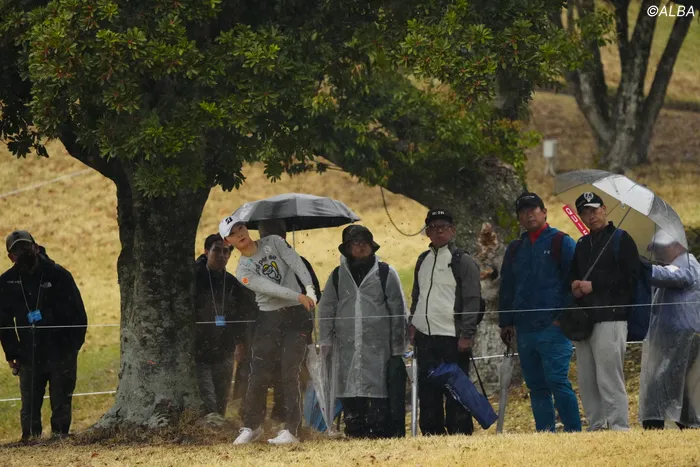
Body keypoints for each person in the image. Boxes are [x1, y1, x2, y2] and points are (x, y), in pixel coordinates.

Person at [220, 218, 317, 445]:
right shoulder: (243, 270)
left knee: (290, 370)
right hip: (269, 318)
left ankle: (292, 430)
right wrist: (298, 295)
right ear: (228, 241)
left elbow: (295, 262)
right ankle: (252, 426)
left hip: (296, 316)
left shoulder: (273, 242)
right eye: (233, 233)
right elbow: (270, 289)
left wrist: (309, 288)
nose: (240, 234)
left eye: (241, 228)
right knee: (258, 372)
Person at [498, 192, 582, 432]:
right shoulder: (515, 248)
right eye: (523, 212)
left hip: (554, 327)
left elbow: (575, 283)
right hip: (524, 328)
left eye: (533, 209)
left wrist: (562, 318)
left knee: (558, 381)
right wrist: (506, 322)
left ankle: (574, 433)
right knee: (535, 385)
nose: (529, 215)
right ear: (519, 218)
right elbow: (507, 286)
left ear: (544, 212)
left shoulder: (561, 241)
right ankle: (545, 433)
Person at [318, 225, 406, 438]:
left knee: (379, 398)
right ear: (347, 248)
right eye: (356, 242)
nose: (361, 246)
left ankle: (379, 436)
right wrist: (325, 341)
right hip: (346, 350)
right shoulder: (337, 276)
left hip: (380, 350)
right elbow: (326, 309)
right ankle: (355, 434)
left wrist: (397, 349)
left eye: (365, 241)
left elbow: (398, 311)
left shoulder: (386, 273)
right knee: (351, 397)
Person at [0, 231, 88, 441]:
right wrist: (12, 353)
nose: (23, 252)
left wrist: (72, 347)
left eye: (26, 247)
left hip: (61, 351)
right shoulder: (6, 281)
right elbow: (3, 321)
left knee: (61, 403)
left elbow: (78, 314)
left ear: (36, 247)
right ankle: (30, 442)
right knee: (29, 407)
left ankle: (60, 440)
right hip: (28, 354)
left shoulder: (59, 275)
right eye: (17, 250)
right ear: (10, 257)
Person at [567, 192, 639, 431]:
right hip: (585, 320)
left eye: (594, 209)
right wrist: (574, 285)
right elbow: (573, 274)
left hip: (612, 317)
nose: (591, 215)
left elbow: (631, 278)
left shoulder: (622, 239)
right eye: (585, 212)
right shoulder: (582, 244)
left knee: (609, 378)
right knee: (587, 380)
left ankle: (619, 426)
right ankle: (596, 426)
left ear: (604, 208)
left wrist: (594, 285)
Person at [408, 208, 482, 436]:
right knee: (427, 390)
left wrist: (467, 335)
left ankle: (460, 434)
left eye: (444, 227)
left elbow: (473, 300)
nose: (439, 231)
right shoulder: (423, 260)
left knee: (456, 390)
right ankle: (431, 434)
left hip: (453, 338)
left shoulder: (463, 261)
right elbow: (417, 296)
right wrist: (413, 324)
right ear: (428, 232)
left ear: (453, 230)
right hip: (425, 338)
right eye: (433, 227)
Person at [639, 230, 700, 430]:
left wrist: (644, 268)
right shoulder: (673, 264)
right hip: (672, 339)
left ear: (678, 246)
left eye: (661, 248)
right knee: (679, 388)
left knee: (661, 387)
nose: (657, 253)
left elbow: (677, 277)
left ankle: (655, 426)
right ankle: (689, 426)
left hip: (684, 339)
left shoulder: (688, 264)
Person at [194, 234, 256, 417]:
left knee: (221, 402)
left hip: (224, 351)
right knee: (208, 402)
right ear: (207, 251)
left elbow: (242, 315)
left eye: (226, 252)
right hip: (198, 352)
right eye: (217, 250)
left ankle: (218, 429)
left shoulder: (232, 283)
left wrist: (240, 343)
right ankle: (210, 429)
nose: (222, 255)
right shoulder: (194, 278)